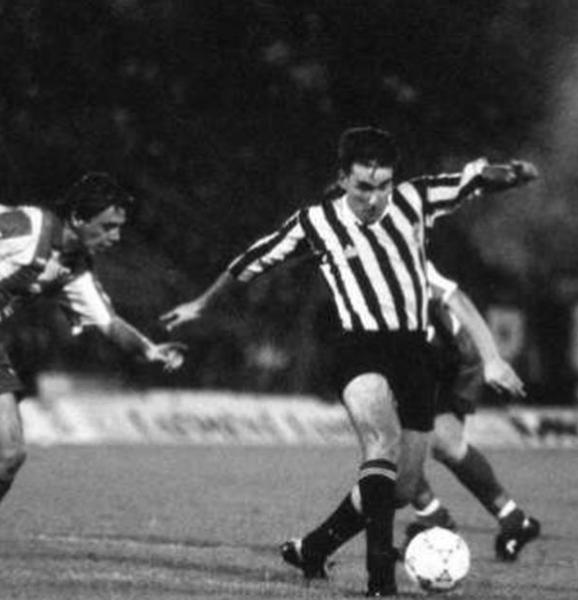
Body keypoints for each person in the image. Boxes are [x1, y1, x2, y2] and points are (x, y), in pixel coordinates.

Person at [161, 126, 537, 596]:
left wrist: (512, 173)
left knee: (403, 488)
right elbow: (250, 262)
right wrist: (202, 304)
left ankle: (314, 548)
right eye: (363, 187)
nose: (374, 198)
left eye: (383, 186)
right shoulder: (315, 221)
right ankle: (381, 582)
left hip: (415, 354)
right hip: (359, 347)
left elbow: (473, 179)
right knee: (381, 443)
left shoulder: (416, 198)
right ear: (342, 178)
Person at [0, 172, 185, 509]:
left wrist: (149, 350)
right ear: (77, 217)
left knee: (9, 455)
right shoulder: (27, 227)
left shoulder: (74, 267)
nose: (116, 237)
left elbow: (108, 322)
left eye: (119, 228)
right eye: (108, 226)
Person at [397, 260, 541, 561]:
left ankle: (433, 517)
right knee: (445, 445)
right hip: (421, 355)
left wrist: (492, 359)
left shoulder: (400, 252)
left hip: (451, 354)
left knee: (396, 441)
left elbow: (456, 299)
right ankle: (513, 519)